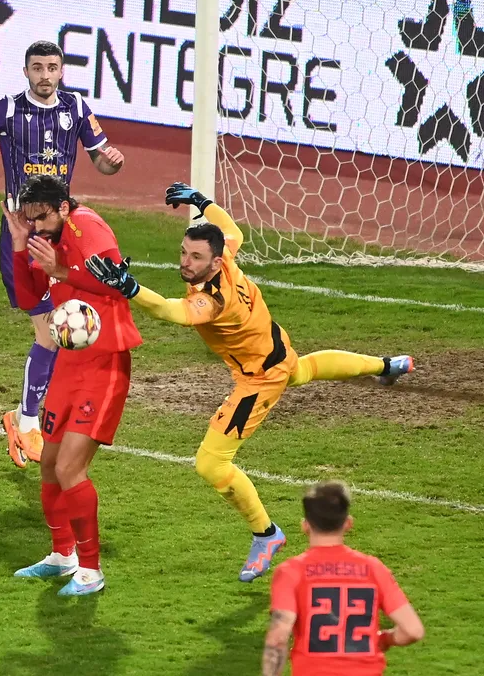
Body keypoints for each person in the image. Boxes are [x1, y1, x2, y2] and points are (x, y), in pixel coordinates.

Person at [86, 183, 415, 581]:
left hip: (259, 379)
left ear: (214, 260)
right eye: (184, 252)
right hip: (274, 346)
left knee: (211, 463)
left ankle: (266, 533)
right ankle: (387, 365)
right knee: (304, 370)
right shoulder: (225, 254)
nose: (186, 263)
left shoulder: (214, 300)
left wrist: (130, 288)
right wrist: (201, 201)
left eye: (196, 257)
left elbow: (173, 312)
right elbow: (232, 230)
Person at [0, 40, 125, 469]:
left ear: (62, 71)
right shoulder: (9, 109)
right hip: (22, 233)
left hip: (61, 234)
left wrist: (113, 161)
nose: (45, 75)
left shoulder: (76, 108)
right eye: (38, 67)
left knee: (59, 331)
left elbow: (102, 162)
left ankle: (29, 417)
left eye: (52, 67)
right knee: (50, 332)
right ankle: (27, 422)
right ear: (26, 71)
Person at [1, 174, 141, 596]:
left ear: (62, 207)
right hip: (69, 364)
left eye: (41, 218)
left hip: (105, 363)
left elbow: (117, 281)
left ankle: (92, 571)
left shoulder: (87, 227)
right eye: (30, 220)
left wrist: (61, 270)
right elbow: (30, 299)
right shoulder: (43, 238)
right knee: (49, 463)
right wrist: (20, 245)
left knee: (69, 468)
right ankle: (63, 556)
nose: (37, 227)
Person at [262, 481, 424, 675]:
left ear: (305, 526)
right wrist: (385, 639)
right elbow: (413, 630)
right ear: (348, 523)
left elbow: (278, 637)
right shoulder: (373, 569)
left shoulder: (291, 572)